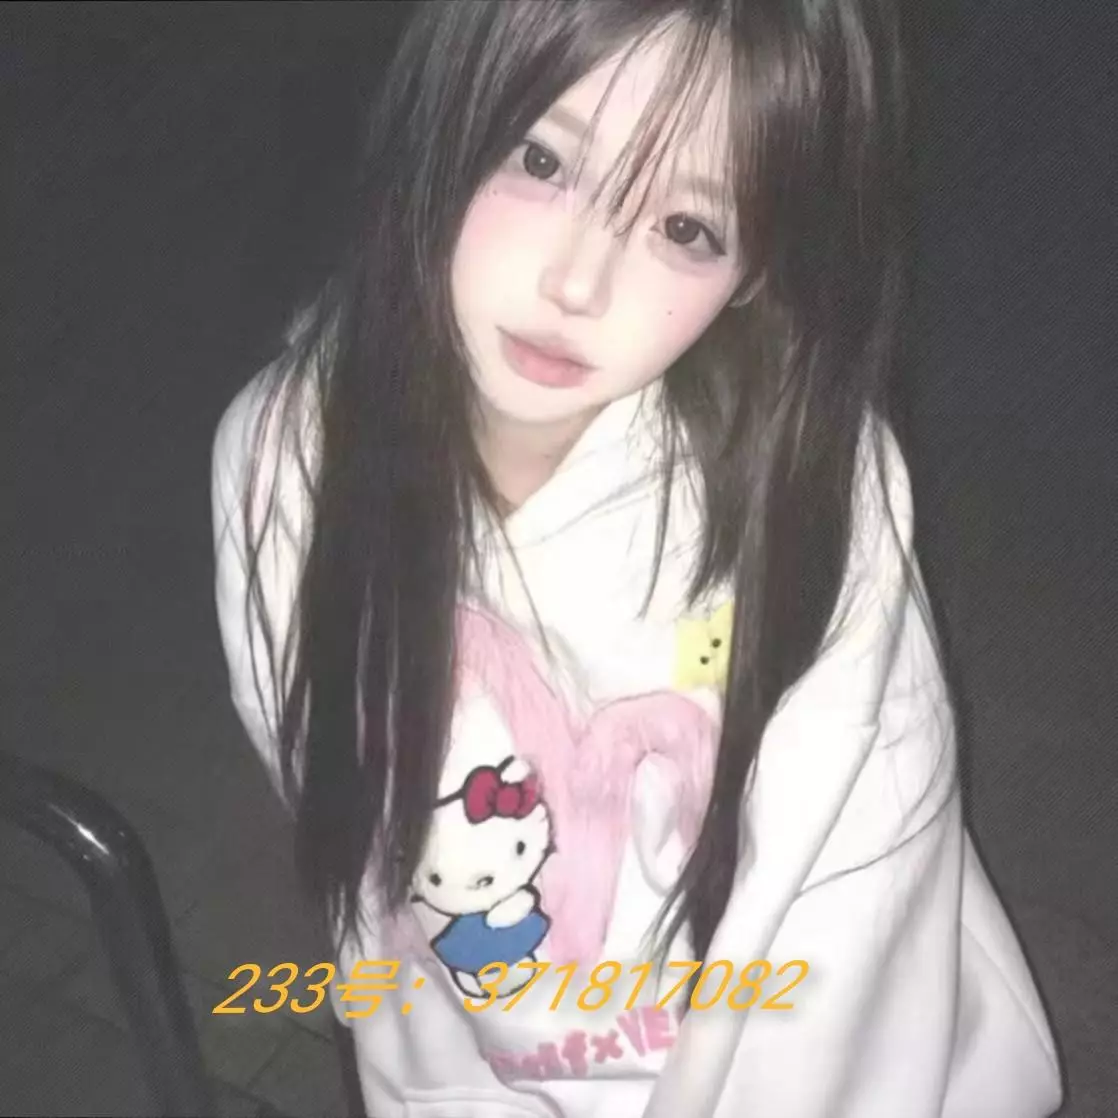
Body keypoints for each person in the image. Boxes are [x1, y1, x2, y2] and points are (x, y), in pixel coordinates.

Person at [210, 2, 1063, 1115]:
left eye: (686, 228)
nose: (580, 283)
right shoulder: (290, 460)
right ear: (447, 111)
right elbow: (370, 867)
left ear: (757, 269)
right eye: (542, 160)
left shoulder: (803, 506)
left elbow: (845, 947)